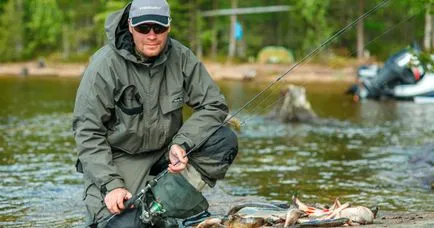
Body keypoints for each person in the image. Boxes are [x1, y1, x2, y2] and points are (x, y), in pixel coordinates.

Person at [72, 0, 238, 227]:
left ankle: (168, 204)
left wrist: (181, 143)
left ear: (168, 27)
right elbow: (87, 132)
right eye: (143, 28)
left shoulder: (182, 57)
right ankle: (151, 210)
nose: (152, 35)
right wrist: (111, 185)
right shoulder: (103, 66)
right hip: (120, 159)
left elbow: (213, 105)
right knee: (118, 224)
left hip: (166, 152)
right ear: (130, 26)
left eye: (158, 28)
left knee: (223, 140)